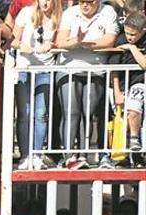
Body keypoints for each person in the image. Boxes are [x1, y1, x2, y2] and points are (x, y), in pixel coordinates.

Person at [54, 0, 118, 170]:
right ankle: (68, 155)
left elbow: (109, 40)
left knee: (87, 113)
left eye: (89, 2)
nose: (85, 5)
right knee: (71, 112)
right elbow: (60, 41)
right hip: (69, 68)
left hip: (95, 69)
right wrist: (76, 41)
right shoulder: (70, 13)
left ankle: (83, 155)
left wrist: (84, 43)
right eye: (82, 1)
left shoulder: (108, 11)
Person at [11, 0, 60, 171]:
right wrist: (22, 46)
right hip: (24, 67)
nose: (46, 3)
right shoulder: (25, 13)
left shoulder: (58, 16)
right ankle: (25, 155)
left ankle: (37, 155)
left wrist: (52, 45)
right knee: (25, 113)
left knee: (41, 114)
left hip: (45, 70)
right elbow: (12, 40)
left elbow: (61, 41)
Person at [112, 11, 146, 159]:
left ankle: (134, 139)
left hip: (139, 82)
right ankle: (122, 156)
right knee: (121, 119)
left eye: (133, 34)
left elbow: (144, 64)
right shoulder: (120, 40)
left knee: (134, 108)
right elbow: (113, 69)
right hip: (123, 85)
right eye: (127, 33)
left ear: (143, 31)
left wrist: (132, 48)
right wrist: (117, 92)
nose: (129, 37)